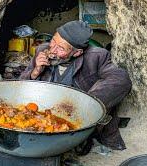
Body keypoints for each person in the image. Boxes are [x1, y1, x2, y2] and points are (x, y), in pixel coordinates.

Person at [20, 20, 132, 153]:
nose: (52, 50)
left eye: (61, 48)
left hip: (76, 117)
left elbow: (120, 80)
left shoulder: (96, 57)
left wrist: (85, 102)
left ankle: (81, 140)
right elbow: (21, 86)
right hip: (45, 112)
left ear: (77, 52)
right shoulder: (42, 50)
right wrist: (35, 71)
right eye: (53, 41)